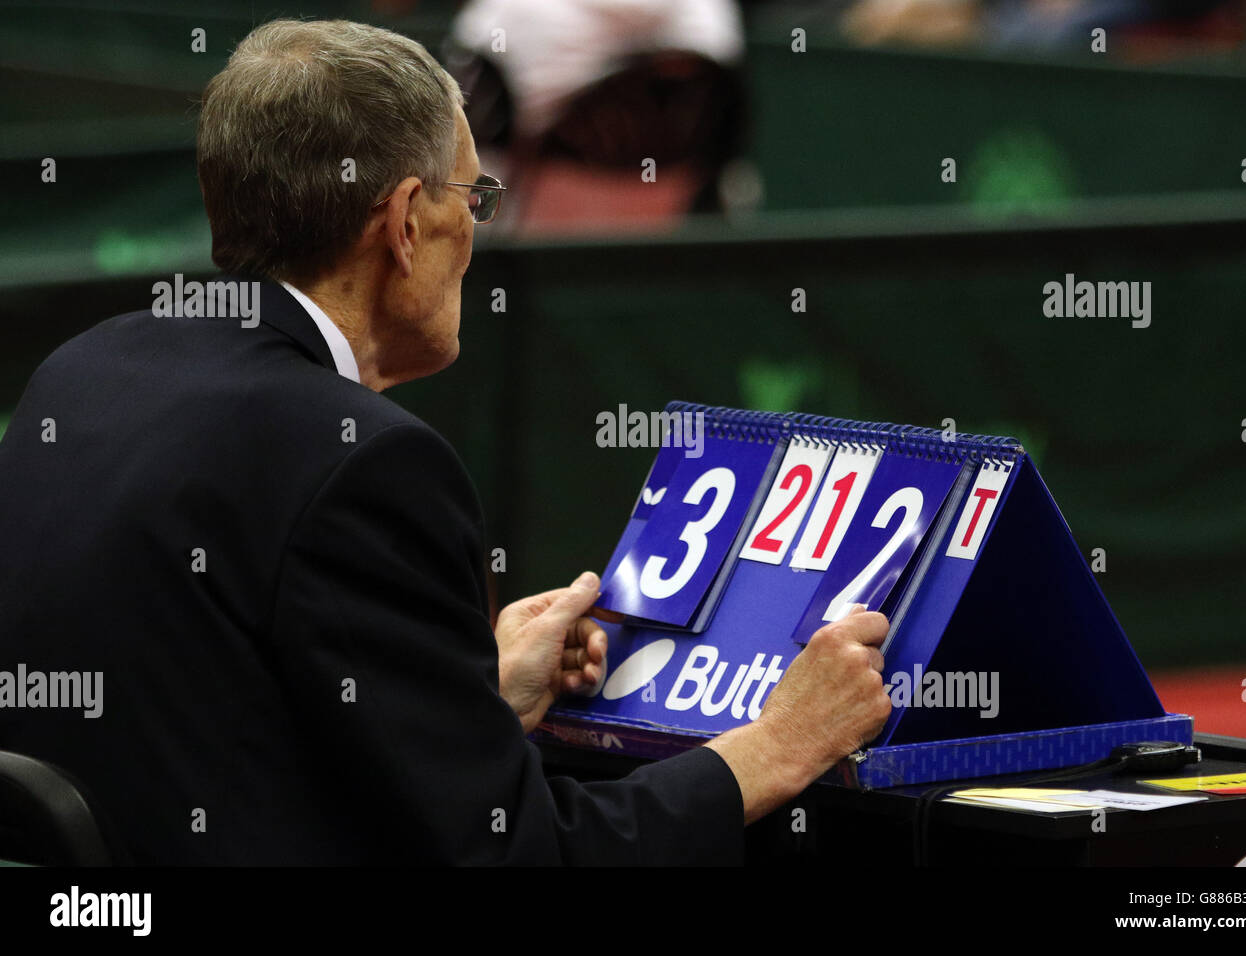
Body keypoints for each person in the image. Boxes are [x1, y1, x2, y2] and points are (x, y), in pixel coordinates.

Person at [0, 18, 892, 865]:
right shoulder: (363, 462)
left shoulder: (80, 375)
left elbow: (221, 723)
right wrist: (775, 746)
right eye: (477, 195)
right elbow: (520, 857)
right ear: (404, 223)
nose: (477, 226)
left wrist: (472, 699)